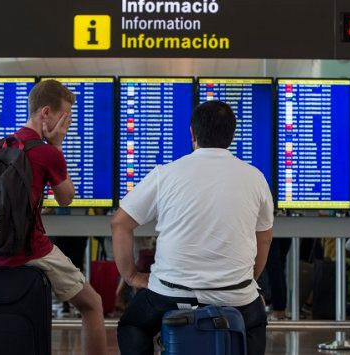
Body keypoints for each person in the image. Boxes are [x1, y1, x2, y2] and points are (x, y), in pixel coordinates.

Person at [111, 100, 274, 355]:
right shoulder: (256, 178)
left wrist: (131, 276)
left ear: (192, 133)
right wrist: (247, 281)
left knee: (132, 326)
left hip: (170, 294)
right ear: (232, 136)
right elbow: (264, 237)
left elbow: (120, 223)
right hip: (237, 298)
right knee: (255, 323)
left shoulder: (165, 174)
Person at [0, 80, 107, 355]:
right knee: (92, 304)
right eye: (66, 117)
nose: (67, 126)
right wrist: (56, 145)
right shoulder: (47, 152)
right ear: (46, 113)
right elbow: (66, 198)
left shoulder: (0, 145)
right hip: (28, 251)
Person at [265, 238, 291, 320]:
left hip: (273, 228)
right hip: (285, 228)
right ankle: (279, 308)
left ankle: (278, 310)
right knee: (279, 266)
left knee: (274, 266)